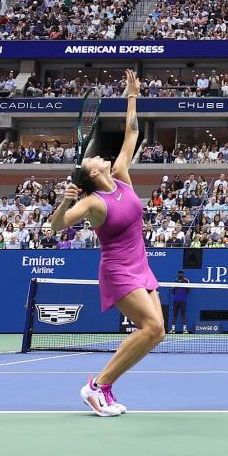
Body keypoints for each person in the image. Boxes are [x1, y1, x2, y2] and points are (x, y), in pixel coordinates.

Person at [47, 71, 161, 417]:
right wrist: (65, 202)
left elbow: (133, 132)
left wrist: (131, 95)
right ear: (93, 173)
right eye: (93, 158)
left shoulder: (122, 177)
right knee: (151, 327)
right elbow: (55, 227)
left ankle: (106, 387)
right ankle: (94, 387)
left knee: (158, 333)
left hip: (141, 267)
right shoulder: (94, 202)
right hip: (118, 271)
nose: (98, 156)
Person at [169, 265, 193, 335]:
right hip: (175, 301)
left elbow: (188, 290)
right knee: (174, 315)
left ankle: (184, 330)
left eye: (181, 273)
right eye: (179, 273)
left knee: (183, 315)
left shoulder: (186, 281)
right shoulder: (175, 281)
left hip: (183, 301)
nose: (180, 274)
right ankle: (173, 330)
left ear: (183, 274)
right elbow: (173, 291)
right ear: (178, 274)